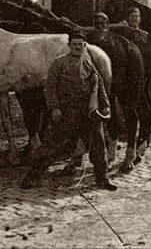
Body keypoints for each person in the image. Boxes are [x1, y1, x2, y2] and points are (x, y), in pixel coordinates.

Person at [21, 29, 116, 190]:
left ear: (84, 45)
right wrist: (54, 108)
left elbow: (98, 85)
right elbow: (49, 88)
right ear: (69, 45)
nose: (77, 47)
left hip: (87, 112)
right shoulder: (59, 63)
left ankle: (102, 178)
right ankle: (32, 177)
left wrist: (105, 105)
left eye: (80, 45)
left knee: (98, 145)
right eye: (74, 44)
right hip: (66, 111)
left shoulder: (88, 62)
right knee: (52, 145)